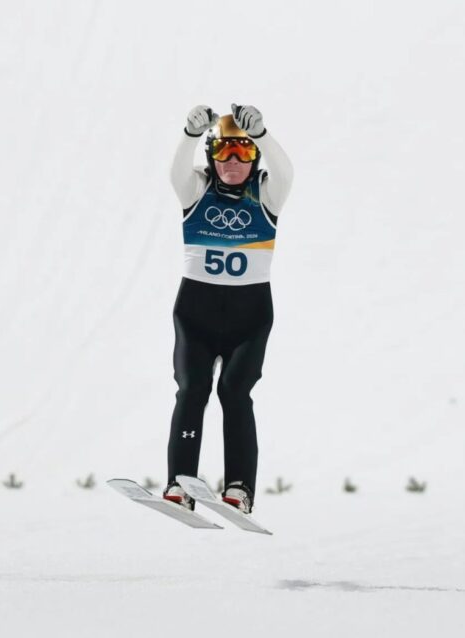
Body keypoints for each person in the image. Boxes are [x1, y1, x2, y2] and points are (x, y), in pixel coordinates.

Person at [162, 104, 293, 514]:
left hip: (249, 317)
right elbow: (175, 172)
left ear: (254, 156)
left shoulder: (267, 193)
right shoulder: (196, 190)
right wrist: (188, 133)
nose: (233, 162)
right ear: (211, 156)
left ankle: (239, 488)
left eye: (243, 152)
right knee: (192, 390)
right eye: (224, 153)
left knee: (234, 393)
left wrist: (264, 135)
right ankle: (180, 484)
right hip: (196, 314)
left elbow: (286, 171)